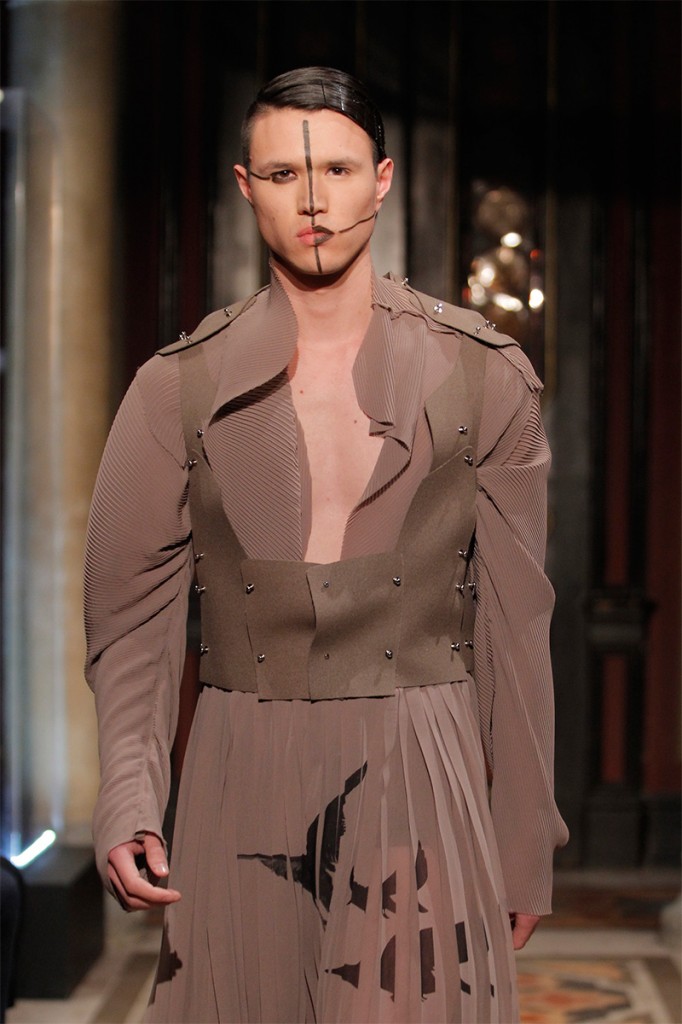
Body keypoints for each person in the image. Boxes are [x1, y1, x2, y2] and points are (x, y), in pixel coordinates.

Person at [84, 66, 568, 1024]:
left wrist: (524, 839)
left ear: (382, 180)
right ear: (245, 186)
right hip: (239, 761)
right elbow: (130, 622)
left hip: (418, 755)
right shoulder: (173, 388)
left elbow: (517, 627)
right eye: (282, 174)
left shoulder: (484, 375)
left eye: (338, 170)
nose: (312, 200)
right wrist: (129, 799)